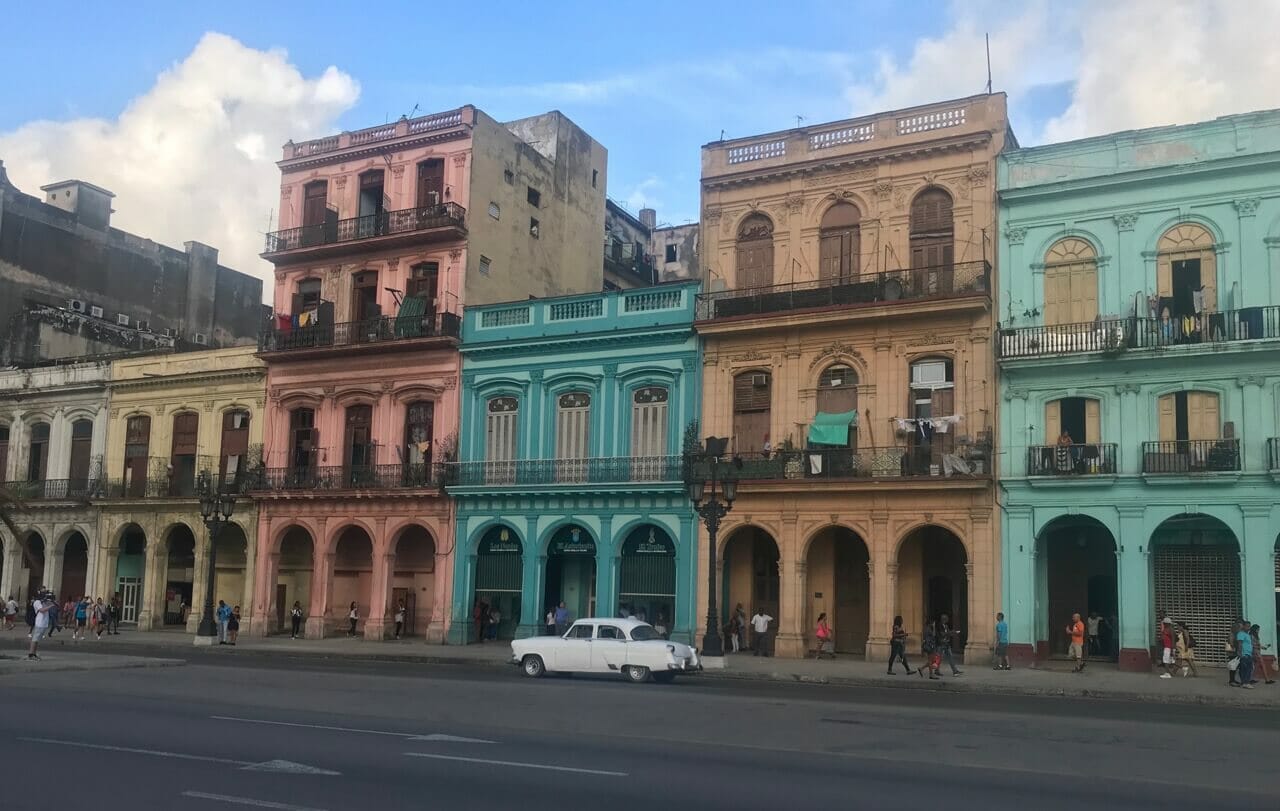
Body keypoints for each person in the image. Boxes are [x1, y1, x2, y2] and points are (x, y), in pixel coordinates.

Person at [28, 591, 52, 660]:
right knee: (35, 639)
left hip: (44, 623)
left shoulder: (43, 602)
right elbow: (42, 610)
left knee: (37, 639)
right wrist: (50, 606)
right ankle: (31, 654)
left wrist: (50, 602)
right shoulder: (37, 602)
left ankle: (34, 653)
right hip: (40, 622)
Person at [1236, 620, 1256, 689]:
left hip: (1249, 654)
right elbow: (1240, 644)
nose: (1248, 628)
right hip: (1244, 654)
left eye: (1249, 626)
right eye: (1247, 626)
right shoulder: (1241, 634)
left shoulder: (1248, 635)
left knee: (1248, 669)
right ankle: (1246, 683)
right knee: (1246, 669)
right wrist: (1240, 653)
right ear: (1243, 626)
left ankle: (1244, 682)